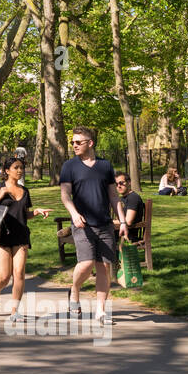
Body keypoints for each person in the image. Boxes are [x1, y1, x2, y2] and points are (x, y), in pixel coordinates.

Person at [59, 127, 127, 324]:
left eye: (78, 142)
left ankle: (101, 311)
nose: (74, 145)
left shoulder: (105, 166)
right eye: (73, 142)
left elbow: (113, 196)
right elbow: (65, 194)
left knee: (104, 267)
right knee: (87, 264)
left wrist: (122, 221)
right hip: (82, 224)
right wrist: (74, 214)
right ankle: (75, 291)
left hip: (104, 223)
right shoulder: (69, 166)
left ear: (90, 143)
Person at [0, 156, 52, 319]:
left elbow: (24, 214)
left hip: (21, 235)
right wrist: (0, 196)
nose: (20, 171)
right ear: (7, 171)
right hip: (1, 236)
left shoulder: (25, 191)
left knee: (19, 272)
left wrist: (35, 212)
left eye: (21, 167)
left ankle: (15, 311)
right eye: (16, 168)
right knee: (4, 276)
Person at [114, 172, 146, 243]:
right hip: (119, 232)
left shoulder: (133, 198)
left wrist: (109, 222)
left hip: (128, 235)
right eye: (116, 184)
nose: (119, 186)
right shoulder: (123, 198)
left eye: (121, 183)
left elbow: (128, 221)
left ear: (129, 183)